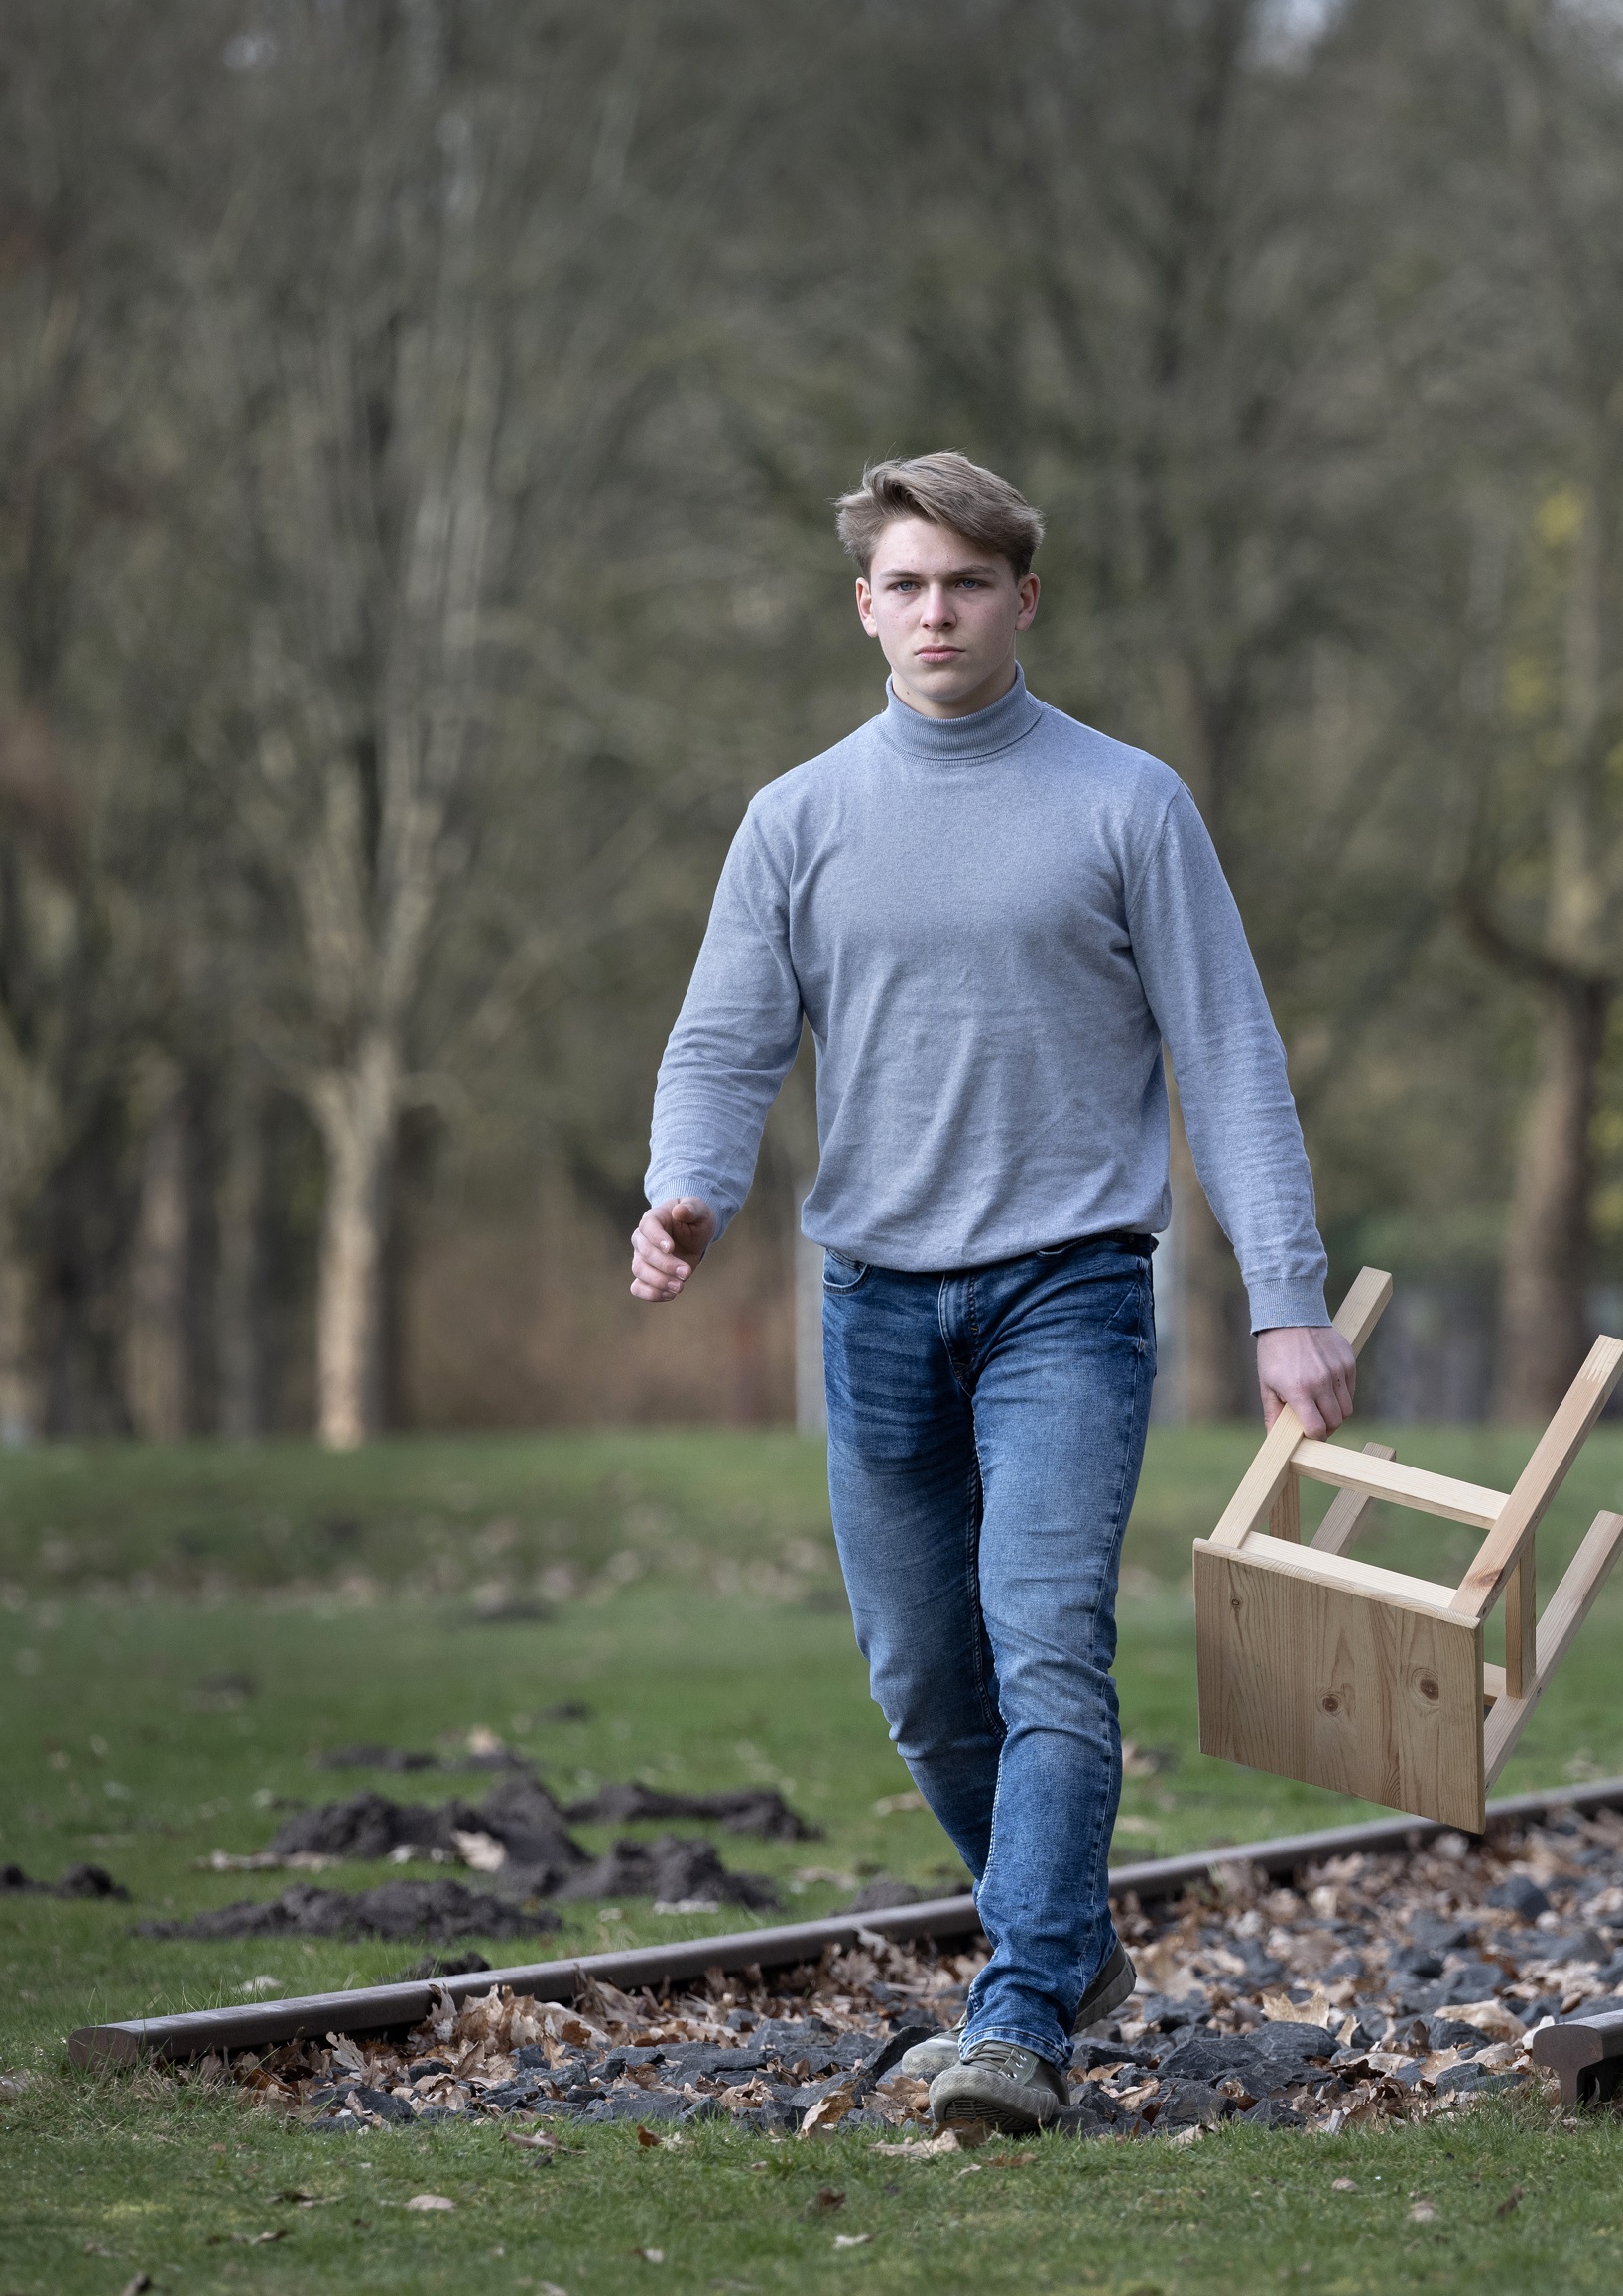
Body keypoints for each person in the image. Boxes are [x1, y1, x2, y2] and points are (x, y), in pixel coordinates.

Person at [627, 451, 1356, 2138]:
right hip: (873, 1297)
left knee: (1048, 1653)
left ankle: (1017, 2014)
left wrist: (1284, 1296)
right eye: (907, 583)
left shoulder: (1126, 801)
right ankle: (1067, 1936)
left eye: (969, 582)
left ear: (1023, 598)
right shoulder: (797, 819)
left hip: (1070, 1299)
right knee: (921, 1681)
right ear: (864, 606)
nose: (936, 610)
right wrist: (691, 1189)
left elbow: (1229, 1054)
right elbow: (724, 1042)